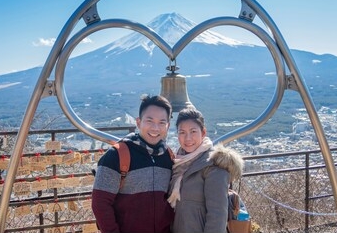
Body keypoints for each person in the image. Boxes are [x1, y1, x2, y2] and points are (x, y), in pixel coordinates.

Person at [92, 95, 175, 233]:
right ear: (138, 122)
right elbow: (100, 203)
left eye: (162, 122)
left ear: (168, 126)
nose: (155, 128)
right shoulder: (117, 155)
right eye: (149, 121)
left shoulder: (168, 157)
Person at [168, 107, 244, 233]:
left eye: (193, 131)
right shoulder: (178, 163)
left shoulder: (213, 166)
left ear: (203, 133)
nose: (188, 138)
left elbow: (218, 214)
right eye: (182, 132)